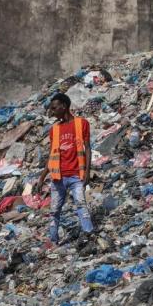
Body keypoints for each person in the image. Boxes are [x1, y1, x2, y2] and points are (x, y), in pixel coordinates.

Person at [37, 93, 94, 245]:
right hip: (58, 178)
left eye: (54, 108)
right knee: (54, 210)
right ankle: (53, 241)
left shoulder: (81, 123)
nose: (52, 111)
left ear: (64, 106)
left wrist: (88, 172)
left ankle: (89, 235)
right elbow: (51, 154)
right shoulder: (54, 129)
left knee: (81, 205)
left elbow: (87, 148)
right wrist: (42, 177)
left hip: (76, 175)